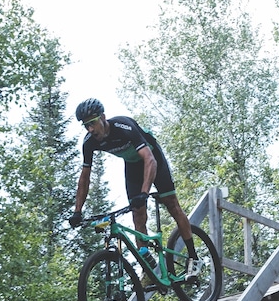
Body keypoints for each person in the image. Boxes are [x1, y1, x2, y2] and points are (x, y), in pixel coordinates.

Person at [67, 98, 194, 281]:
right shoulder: (89, 142)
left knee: (172, 205)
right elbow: (85, 177)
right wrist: (77, 211)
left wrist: (144, 193)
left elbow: (150, 160)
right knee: (137, 215)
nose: (91, 129)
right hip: (133, 165)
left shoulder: (123, 126)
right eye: (86, 126)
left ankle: (193, 257)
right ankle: (148, 269)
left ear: (103, 117)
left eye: (93, 123)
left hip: (152, 158)